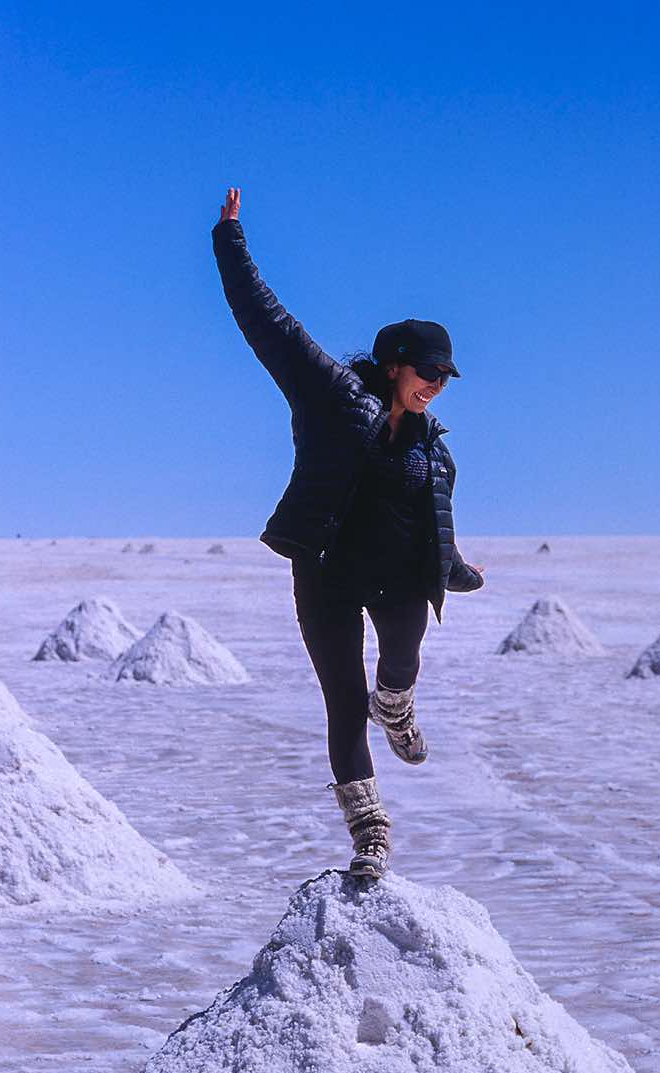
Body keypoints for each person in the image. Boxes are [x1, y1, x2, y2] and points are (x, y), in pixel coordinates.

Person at [212, 187, 484, 879]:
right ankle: (370, 833)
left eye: (445, 378)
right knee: (341, 702)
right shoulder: (330, 395)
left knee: (398, 665)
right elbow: (266, 321)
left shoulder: (436, 449)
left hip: (399, 578)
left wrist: (453, 567)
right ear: (394, 362)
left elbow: (435, 520)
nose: (435, 385)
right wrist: (230, 240)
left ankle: (396, 703)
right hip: (327, 572)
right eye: (428, 372)